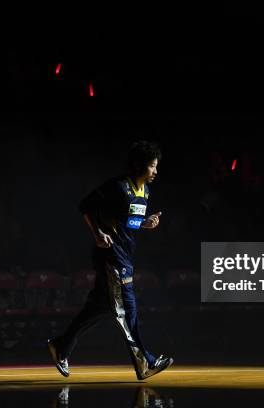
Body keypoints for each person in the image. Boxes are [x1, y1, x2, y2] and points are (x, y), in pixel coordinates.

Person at [48, 140, 173, 380]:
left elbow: (127, 221)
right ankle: (145, 363)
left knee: (98, 308)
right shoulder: (117, 187)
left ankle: (61, 347)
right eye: (152, 166)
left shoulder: (145, 190)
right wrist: (97, 234)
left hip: (126, 255)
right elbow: (85, 206)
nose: (156, 171)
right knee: (127, 310)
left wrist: (145, 224)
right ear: (139, 166)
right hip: (111, 257)